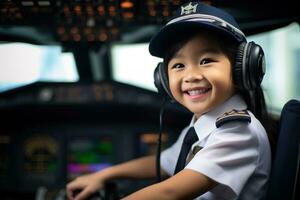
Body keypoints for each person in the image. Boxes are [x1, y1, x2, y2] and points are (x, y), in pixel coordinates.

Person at [67, 1, 273, 199]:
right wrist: (102, 175)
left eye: (206, 61)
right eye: (178, 65)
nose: (191, 75)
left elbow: (170, 193)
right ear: (164, 79)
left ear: (242, 68)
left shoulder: (238, 133)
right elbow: (165, 163)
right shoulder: (202, 125)